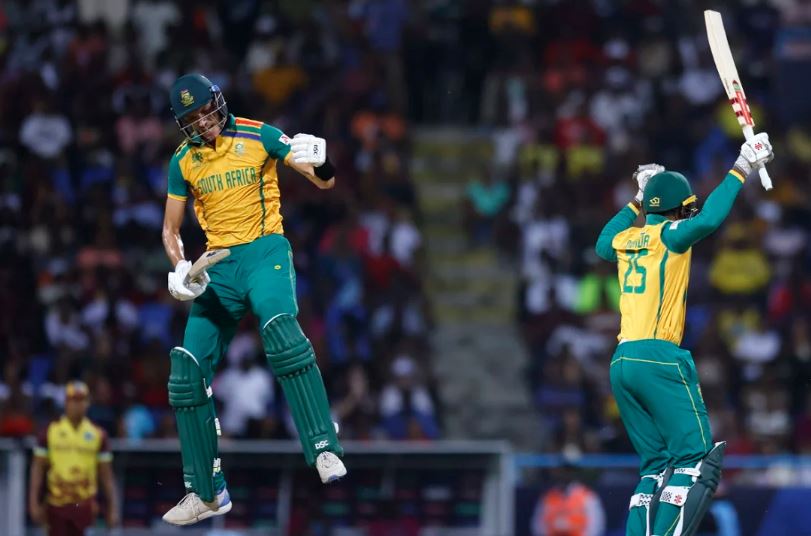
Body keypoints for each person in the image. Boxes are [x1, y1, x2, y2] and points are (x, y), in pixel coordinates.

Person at [160, 73, 346, 525]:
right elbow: (170, 229)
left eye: (206, 111)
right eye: (192, 118)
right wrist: (180, 267)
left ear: (218, 103)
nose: (203, 122)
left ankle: (323, 445)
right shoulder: (183, 160)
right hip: (218, 264)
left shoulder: (258, 133)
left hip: (264, 251)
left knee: (279, 328)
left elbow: (323, 181)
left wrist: (323, 163)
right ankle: (206, 493)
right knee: (186, 369)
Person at [595, 132, 774, 536]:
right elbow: (708, 220)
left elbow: (602, 243)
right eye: (684, 208)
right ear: (676, 210)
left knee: (654, 466)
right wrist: (742, 167)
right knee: (696, 459)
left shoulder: (627, 239)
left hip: (622, 361)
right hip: (658, 357)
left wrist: (637, 200)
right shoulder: (670, 237)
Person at [28, 381, 119, 536]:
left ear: (88, 403)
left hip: (85, 505)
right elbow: (37, 470)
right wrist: (33, 503)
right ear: (65, 402)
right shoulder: (50, 432)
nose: (77, 405)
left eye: (81, 400)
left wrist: (113, 508)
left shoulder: (98, 434)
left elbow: (106, 475)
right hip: (56, 505)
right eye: (73, 400)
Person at [530, 459, 605, 536]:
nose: (564, 474)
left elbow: (595, 526)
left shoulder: (587, 496)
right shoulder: (548, 497)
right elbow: (538, 526)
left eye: (568, 471)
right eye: (562, 471)